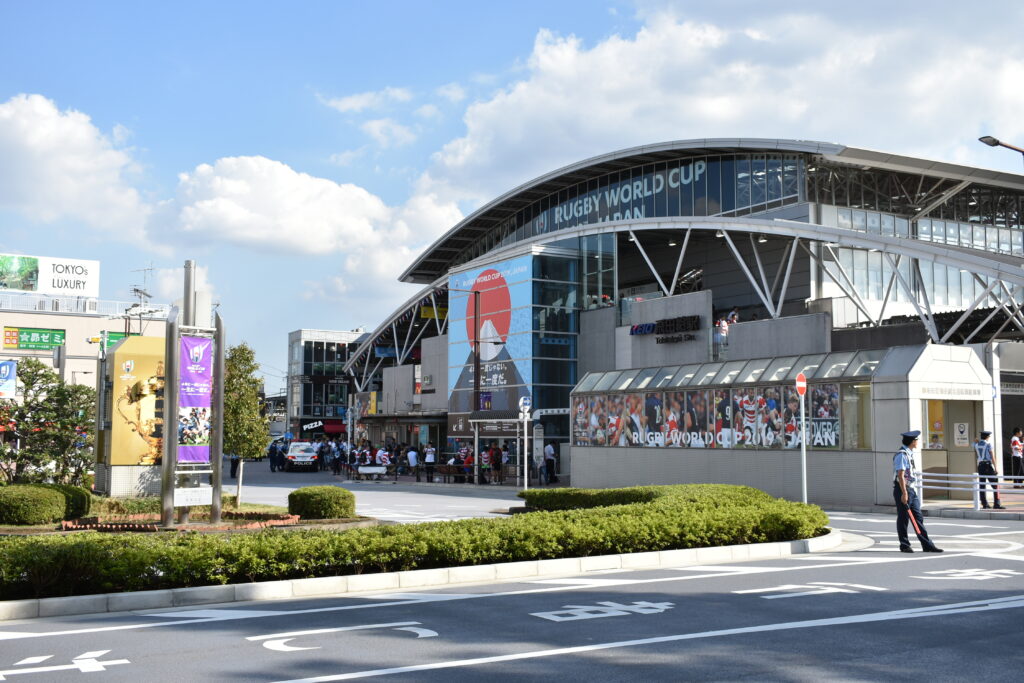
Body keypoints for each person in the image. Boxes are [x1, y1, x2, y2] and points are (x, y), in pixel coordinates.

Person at [893, 430, 942, 553]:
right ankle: (904, 545)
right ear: (912, 442)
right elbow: (900, 475)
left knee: (918, 517)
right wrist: (904, 493)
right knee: (903, 518)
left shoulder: (909, 453)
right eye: (916, 440)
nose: (917, 442)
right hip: (903, 489)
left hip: (910, 489)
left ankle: (927, 544)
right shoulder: (902, 455)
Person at [975, 430, 1004, 509]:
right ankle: (997, 504)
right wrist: (996, 468)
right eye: (989, 436)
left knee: (982, 485)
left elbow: (973, 443)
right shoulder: (988, 444)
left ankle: (984, 504)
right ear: (987, 437)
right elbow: (992, 457)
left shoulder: (976, 444)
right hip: (987, 466)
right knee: (995, 485)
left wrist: (977, 441)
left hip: (980, 466)